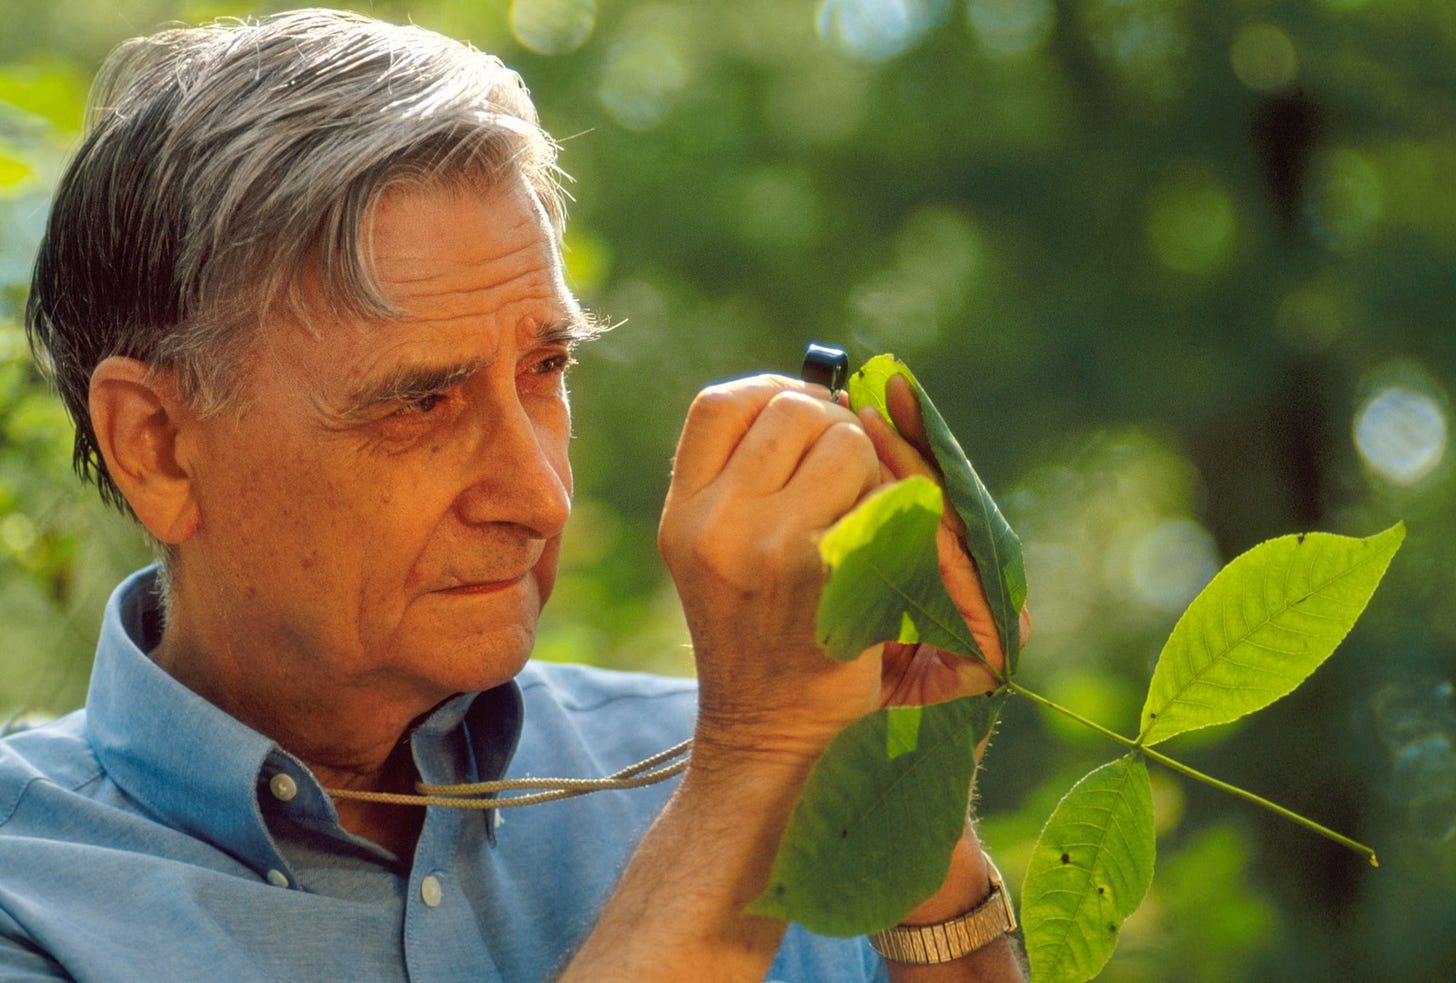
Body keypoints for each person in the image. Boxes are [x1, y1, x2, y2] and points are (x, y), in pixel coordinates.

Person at [1, 10, 1025, 981]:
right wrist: (751, 771)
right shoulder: (31, 891)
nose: (537, 494)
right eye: (422, 402)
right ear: (160, 447)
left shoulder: (733, 746)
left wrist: (910, 792)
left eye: (545, 368)